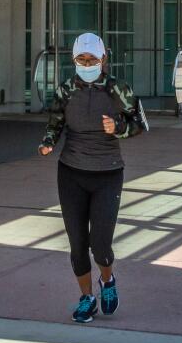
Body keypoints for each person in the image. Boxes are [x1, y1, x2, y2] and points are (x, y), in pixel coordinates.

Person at [39, 32, 146, 323]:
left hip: (107, 173)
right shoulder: (65, 90)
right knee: (77, 244)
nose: (87, 64)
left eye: (92, 59)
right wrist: (48, 142)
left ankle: (108, 281)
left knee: (100, 243)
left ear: (103, 59)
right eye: (81, 59)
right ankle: (86, 297)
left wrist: (119, 128)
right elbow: (56, 121)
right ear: (73, 60)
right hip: (71, 172)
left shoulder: (116, 89)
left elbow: (140, 123)